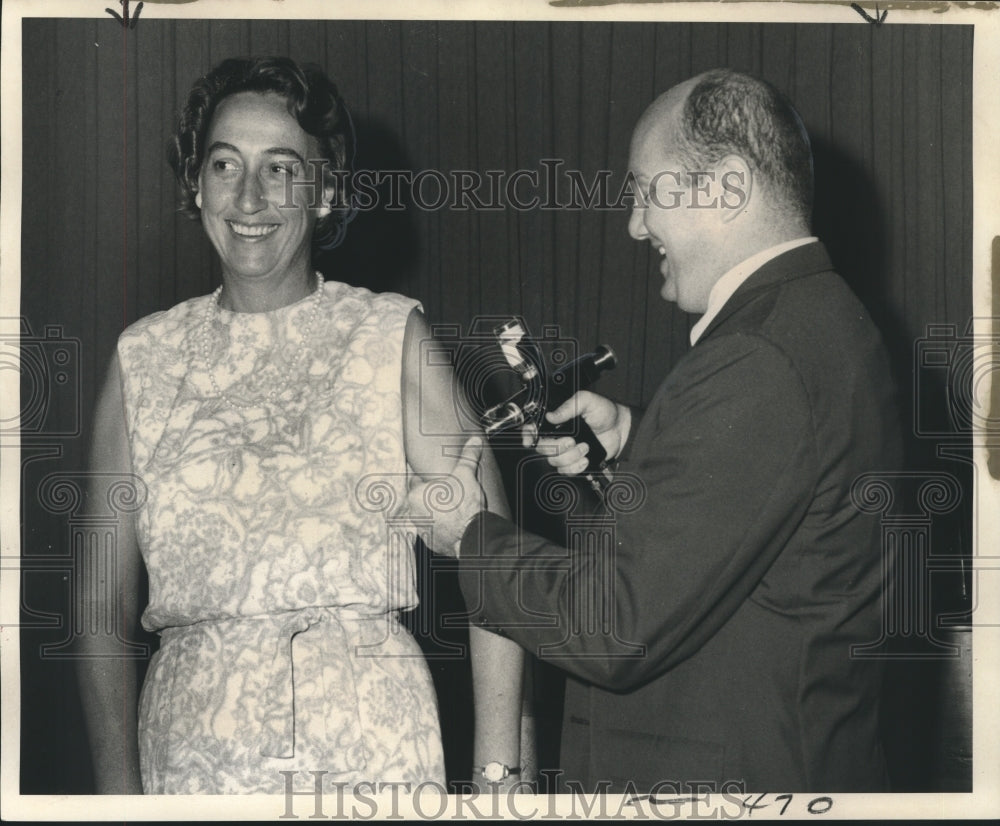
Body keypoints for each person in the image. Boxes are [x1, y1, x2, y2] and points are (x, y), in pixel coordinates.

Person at [412, 68, 903, 792]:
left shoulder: (757, 357)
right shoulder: (819, 320)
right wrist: (639, 441)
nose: (636, 225)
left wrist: (470, 536)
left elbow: (616, 627)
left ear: (729, 188)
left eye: (647, 192)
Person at [77, 56, 524, 794]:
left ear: (325, 194)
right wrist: (117, 800)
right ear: (197, 185)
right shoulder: (143, 357)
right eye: (225, 164)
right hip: (192, 761)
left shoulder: (390, 335)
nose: (249, 195)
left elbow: (496, 561)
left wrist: (500, 774)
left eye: (282, 169)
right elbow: (100, 607)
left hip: (372, 751)